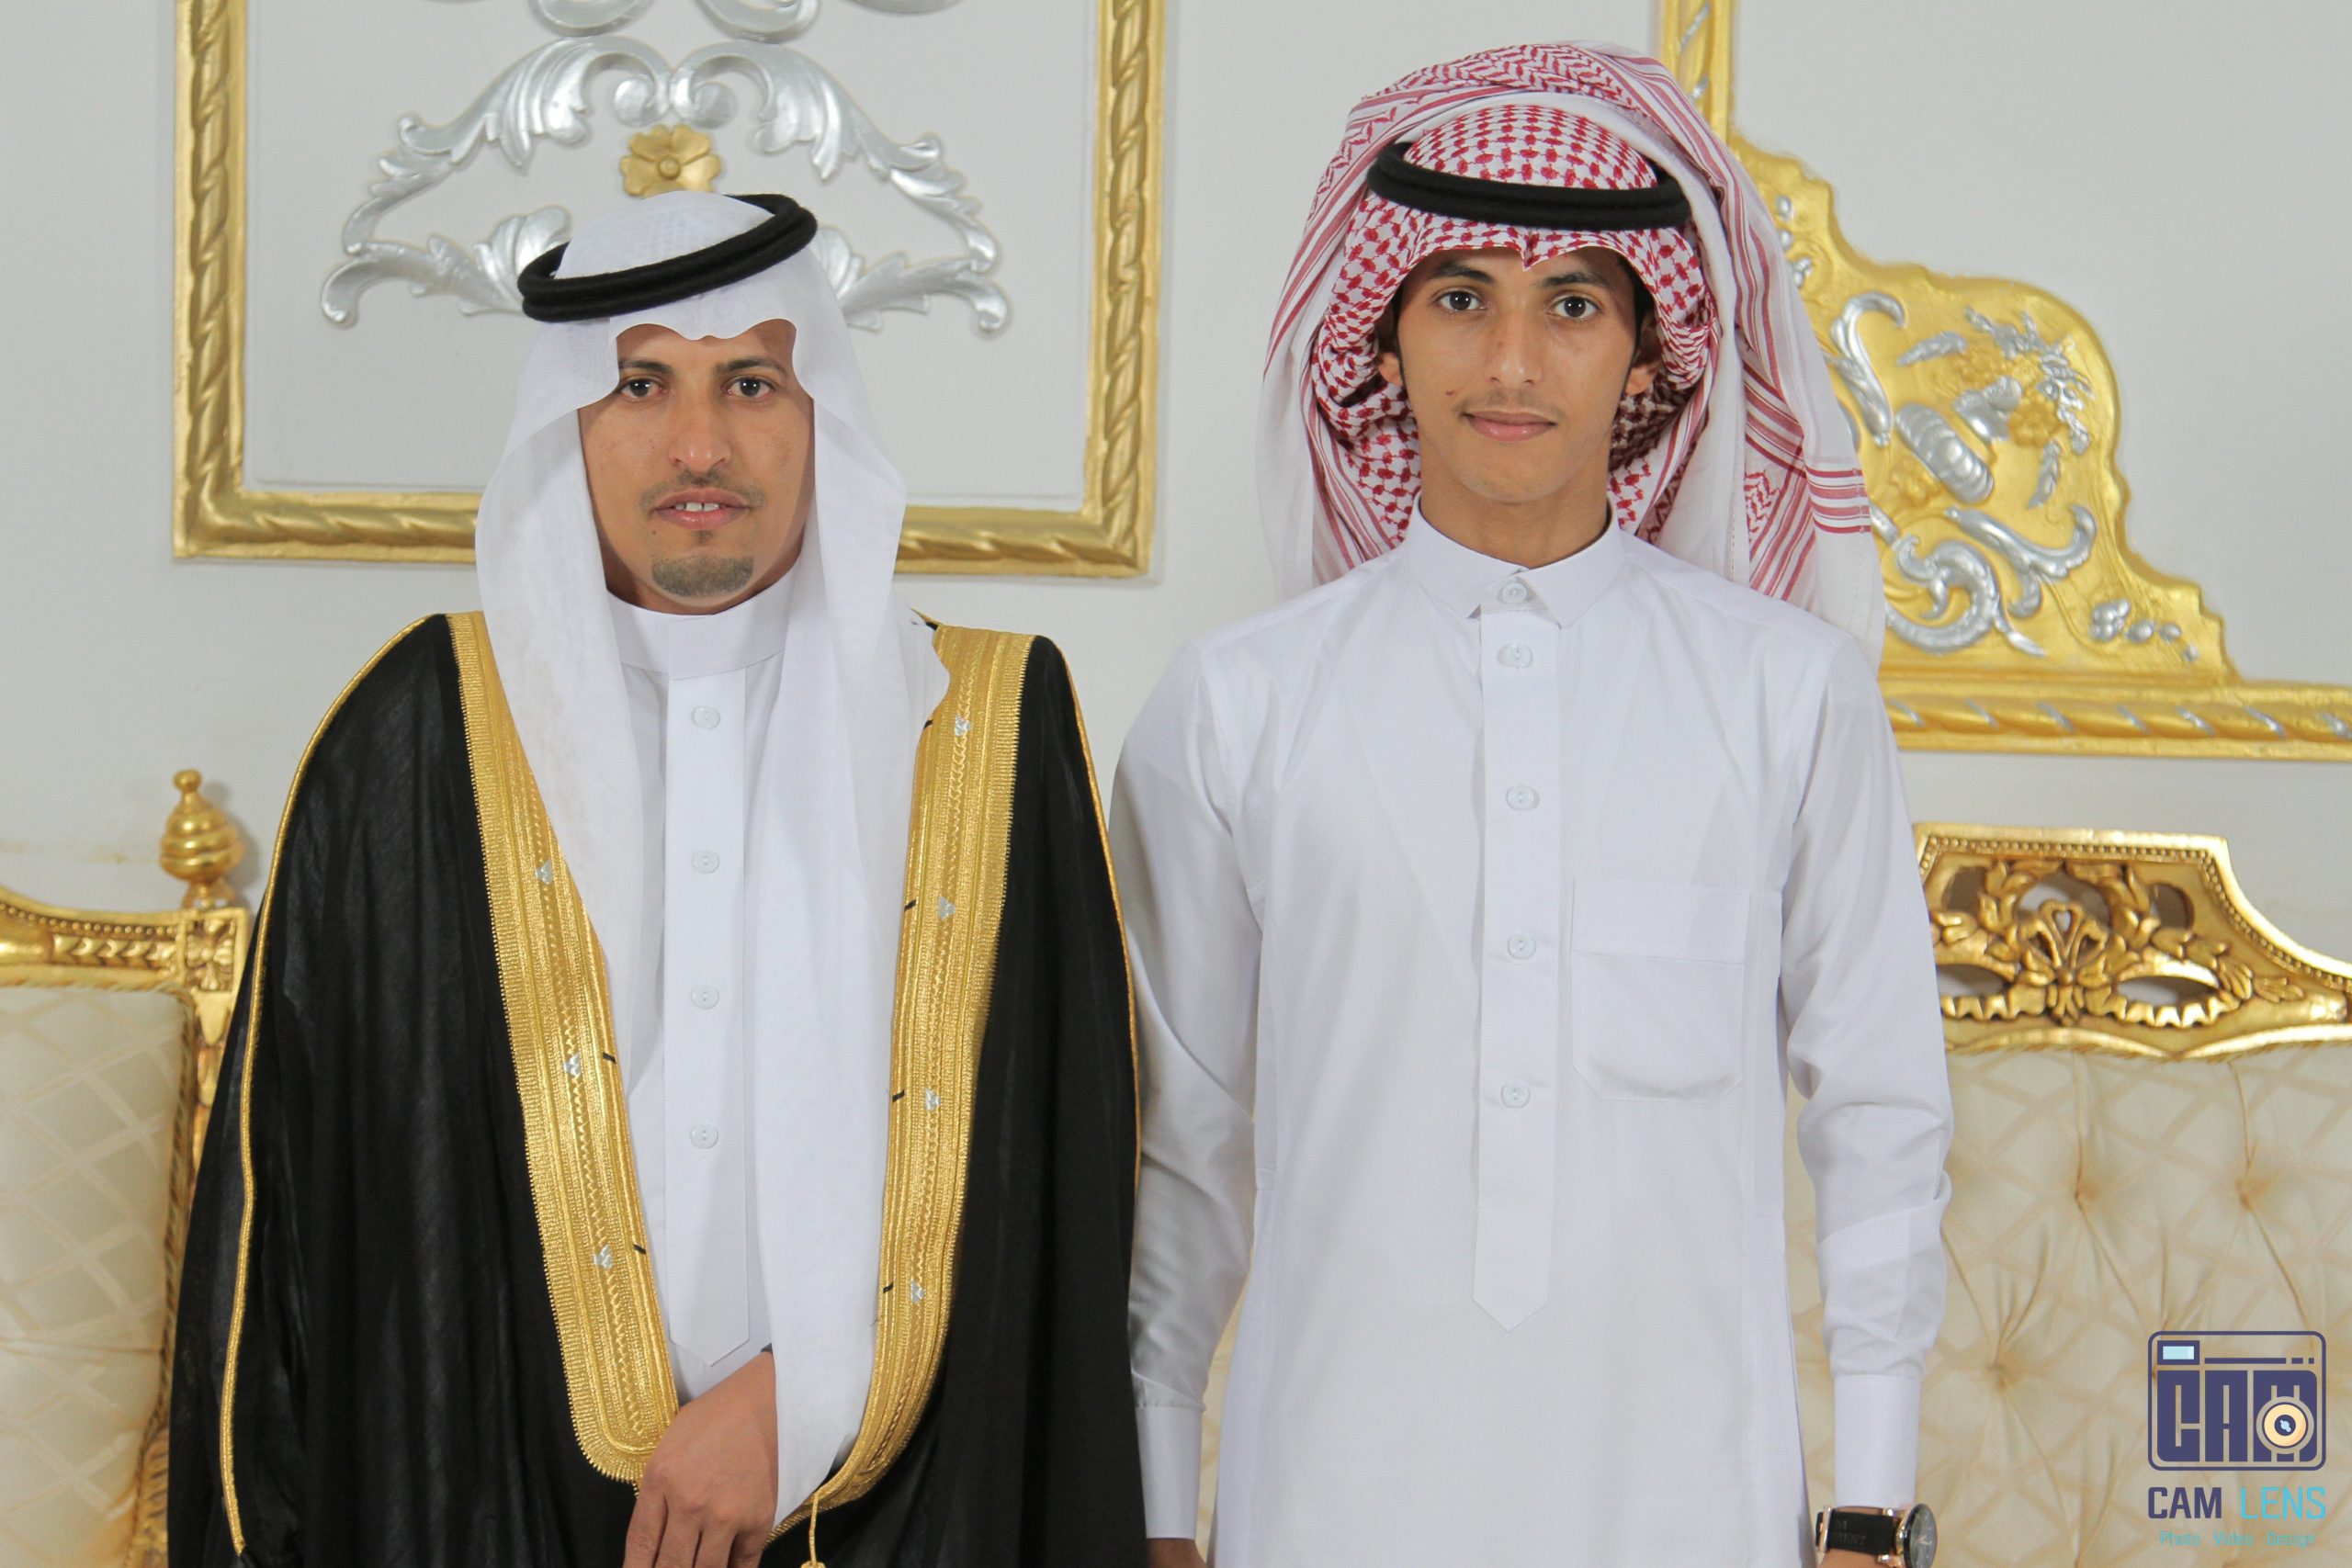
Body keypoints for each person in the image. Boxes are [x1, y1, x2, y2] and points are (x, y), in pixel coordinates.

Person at [170, 191, 1145, 1568]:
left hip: (906, 1501)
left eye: (752, 382)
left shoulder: (986, 726)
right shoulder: (416, 734)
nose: (700, 446)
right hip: (492, 1488)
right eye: (641, 385)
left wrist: (805, 1390)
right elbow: (284, 1250)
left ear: (820, 414)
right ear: (568, 421)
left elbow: (1052, 1188)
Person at [1116, 43, 1952, 1568]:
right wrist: (1161, 1511)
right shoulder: (1236, 705)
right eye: (1460, 299)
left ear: (1648, 353)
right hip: (1327, 1503)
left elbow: (1881, 1108)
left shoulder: (1788, 693)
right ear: (1382, 340)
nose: (1511, 364)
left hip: (1694, 1506)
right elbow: (1182, 1140)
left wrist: (1874, 1507)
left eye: (1571, 305)